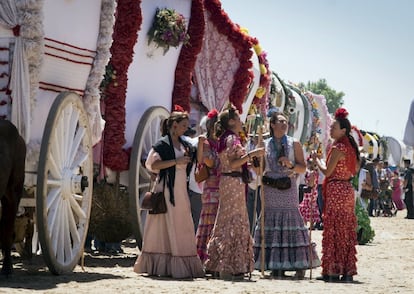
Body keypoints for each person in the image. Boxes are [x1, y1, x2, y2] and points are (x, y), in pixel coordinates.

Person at [133, 105, 204, 279]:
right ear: (174, 126)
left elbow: (197, 161)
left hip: (180, 188)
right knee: (163, 225)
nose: (186, 128)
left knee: (182, 223)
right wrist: (175, 161)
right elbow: (153, 165)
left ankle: (181, 262)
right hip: (166, 188)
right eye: (183, 125)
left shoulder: (185, 143)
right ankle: (162, 264)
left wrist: (201, 144)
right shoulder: (162, 144)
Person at [253, 111, 320, 279]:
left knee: (291, 219)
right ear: (273, 124)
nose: (284, 124)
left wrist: (290, 165)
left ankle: (298, 263)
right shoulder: (264, 143)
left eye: (286, 122)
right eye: (280, 121)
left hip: (287, 186)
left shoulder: (294, 143)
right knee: (270, 221)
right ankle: (273, 264)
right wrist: (256, 161)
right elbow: (259, 169)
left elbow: (302, 168)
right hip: (269, 187)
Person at [204, 104, 264, 280]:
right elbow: (232, 163)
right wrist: (252, 154)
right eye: (238, 118)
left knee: (226, 219)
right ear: (231, 121)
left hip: (231, 181)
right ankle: (228, 264)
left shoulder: (228, 138)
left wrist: (249, 162)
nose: (241, 120)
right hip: (232, 181)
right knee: (233, 220)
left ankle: (219, 262)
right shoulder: (232, 139)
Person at [312, 107, 360, 283]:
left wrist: (316, 160)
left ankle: (332, 271)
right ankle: (346, 270)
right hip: (347, 190)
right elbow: (354, 169)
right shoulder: (351, 149)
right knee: (345, 230)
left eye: (334, 127)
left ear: (343, 130)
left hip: (336, 191)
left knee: (334, 230)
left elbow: (327, 170)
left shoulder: (338, 147)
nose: (331, 129)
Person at [195, 109, 220, 264]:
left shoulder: (219, 143)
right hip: (211, 186)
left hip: (221, 186)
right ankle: (204, 255)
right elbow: (208, 162)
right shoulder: (206, 143)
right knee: (209, 220)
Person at [299, 157, 321, 229]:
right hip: (314, 191)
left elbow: (311, 183)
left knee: (306, 206)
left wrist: (307, 183)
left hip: (310, 191)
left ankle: (306, 224)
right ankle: (310, 225)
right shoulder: (316, 172)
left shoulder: (311, 173)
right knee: (312, 207)